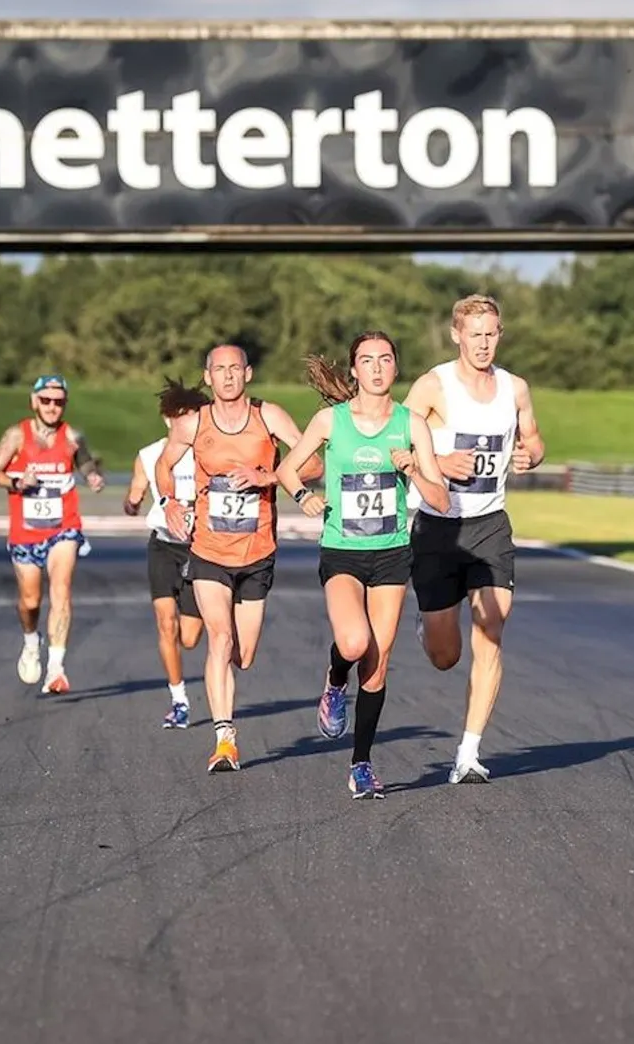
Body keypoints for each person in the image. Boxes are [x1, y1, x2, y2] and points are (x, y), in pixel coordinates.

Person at [277, 332, 450, 799]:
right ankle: (334, 681)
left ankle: (361, 763)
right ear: (353, 370)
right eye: (366, 360)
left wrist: (413, 469)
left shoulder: (412, 425)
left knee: (377, 664)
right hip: (343, 551)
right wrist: (303, 497)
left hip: (392, 553)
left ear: (396, 368)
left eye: (385, 360)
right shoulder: (330, 421)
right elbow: (287, 469)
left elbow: (440, 497)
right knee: (353, 643)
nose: (376, 368)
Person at [401, 295, 547, 785]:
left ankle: (468, 752)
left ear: (500, 334)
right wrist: (437, 465)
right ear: (456, 335)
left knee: (491, 630)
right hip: (438, 528)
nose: (483, 343)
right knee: (446, 657)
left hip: (490, 526)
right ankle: (428, 622)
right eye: (475, 334)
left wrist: (532, 455)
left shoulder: (515, 388)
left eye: (491, 334)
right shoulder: (433, 386)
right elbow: (394, 443)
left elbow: (533, 437)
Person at [156, 344, 316, 774]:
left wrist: (266, 476)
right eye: (218, 370)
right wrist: (170, 501)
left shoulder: (270, 417)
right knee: (219, 638)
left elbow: (314, 461)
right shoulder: (193, 423)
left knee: (243, 655)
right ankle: (224, 738)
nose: (227, 376)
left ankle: (225, 695)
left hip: (258, 551)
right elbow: (164, 464)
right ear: (207, 377)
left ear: (248, 373)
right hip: (208, 550)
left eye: (234, 369)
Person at [0, 374, 106, 695]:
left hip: (63, 526)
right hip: (25, 531)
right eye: (46, 401)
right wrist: (16, 482)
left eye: (59, 401)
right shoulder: (16, 436)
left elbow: (86, 465)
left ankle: (56, 667)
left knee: (62, 590)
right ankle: (30, 640)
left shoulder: (73, 436)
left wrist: (93, 477)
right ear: (34, 401)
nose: (53, 407)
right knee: (30, 601)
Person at [126, 378, 209, 729]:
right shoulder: (149, 455)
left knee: (189, 638)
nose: (184, 422)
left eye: (191, 414)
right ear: (167, 419)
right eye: (178, 416)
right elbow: (136, 492)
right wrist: (131, 504)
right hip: (163, 544)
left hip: (201, 548)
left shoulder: (209, 449)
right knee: (165, 623)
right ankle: (179, 700)